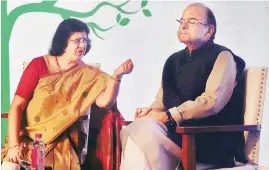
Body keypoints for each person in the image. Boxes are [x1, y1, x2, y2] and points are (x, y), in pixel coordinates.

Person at [120, 3, 246, 170]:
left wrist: (169, 116)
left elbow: (210, 102)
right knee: (139, 130)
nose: (184, 25)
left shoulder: (222, 56)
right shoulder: (173, 60)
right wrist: (150, 112)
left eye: (192, 21)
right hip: (176, 137)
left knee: (142, 135)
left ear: (209, 30)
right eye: (182, 21)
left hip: (207, 141)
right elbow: (162, 100)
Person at [1, 18, 133, 170]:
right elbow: (17, 105)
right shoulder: (39, 65)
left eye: (85, 40)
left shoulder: (89, 74)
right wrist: (13, 144)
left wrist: (117, 77)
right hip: (28, 137)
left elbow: (105, 102)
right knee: (10, 166)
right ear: (63, 41)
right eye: (77, 40)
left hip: (61, 140)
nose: (82, 45)